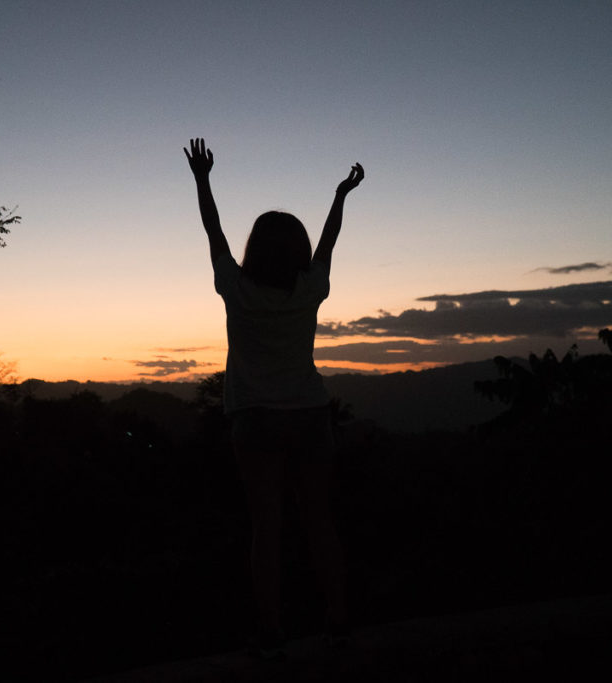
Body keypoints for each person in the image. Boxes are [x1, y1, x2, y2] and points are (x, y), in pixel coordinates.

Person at [184, 137, 364, 656]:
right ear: (299, 251)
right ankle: (339, 620)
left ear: (254, 249)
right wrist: (340, 196)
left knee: (267, 528)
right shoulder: (311, 287)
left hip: (255, 420)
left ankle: (271, 629)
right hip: (309, 415)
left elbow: (213, 231)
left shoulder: (234, 287)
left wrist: (202, 179)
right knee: (319, 520)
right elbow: (329, 243)